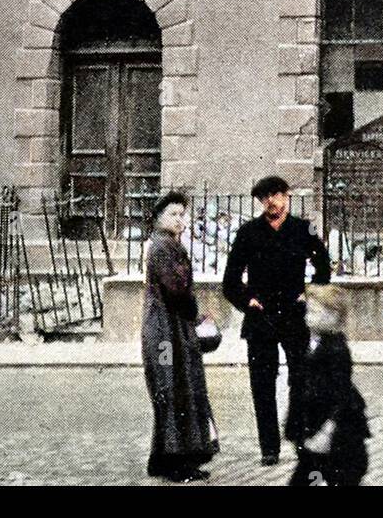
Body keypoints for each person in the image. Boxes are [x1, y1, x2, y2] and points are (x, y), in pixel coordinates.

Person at [223, 175, 332, 464]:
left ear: (287, 196)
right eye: (264, 197)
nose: (270, 201)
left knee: (300, 380)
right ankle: (269, 448)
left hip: (294, 317)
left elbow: (324, 268)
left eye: (275, 194)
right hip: (261, 319)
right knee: (262, 384)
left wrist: (308, 294)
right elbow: (230, 281)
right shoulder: (248, 233)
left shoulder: (301, 229)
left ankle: (299, 438)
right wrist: (248, 301)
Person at [141, 191, 218, 483]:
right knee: (172, 389)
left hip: (169, 327)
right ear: (159, 217)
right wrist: (195, 313)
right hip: (165, 333)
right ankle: (176, 464)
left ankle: (162, 459)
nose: (179, 220)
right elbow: (177, 289)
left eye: (182, 214)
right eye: (173, 214)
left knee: (172, 389)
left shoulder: (166, 244)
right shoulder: (164, 246)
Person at [285, 285, 369, 487]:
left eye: (314, 312)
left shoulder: (336, 349)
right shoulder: (315, 343)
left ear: (333, 316)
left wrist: (327, 431)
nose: (308, 317)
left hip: (334, 437)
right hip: (315, 432)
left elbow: (341, 394)